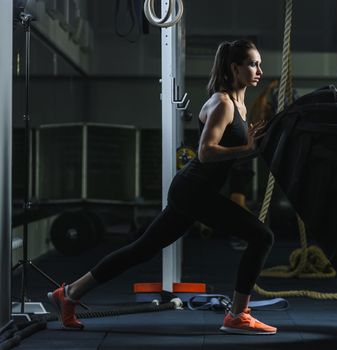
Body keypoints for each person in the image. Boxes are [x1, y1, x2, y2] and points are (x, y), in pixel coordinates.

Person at [47, 39, 277, 335]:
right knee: (262, 237)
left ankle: (68, 294)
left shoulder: (240, 105)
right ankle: (237, 315)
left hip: (196, 192)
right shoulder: (222, 102)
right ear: (235, 68)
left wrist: (251, 144)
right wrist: (246, 148)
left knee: (141, 249)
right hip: (193, 190)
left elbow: (238, 149)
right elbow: (206, 152)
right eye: (253, 64)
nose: (259, 69)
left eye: (259, 63)